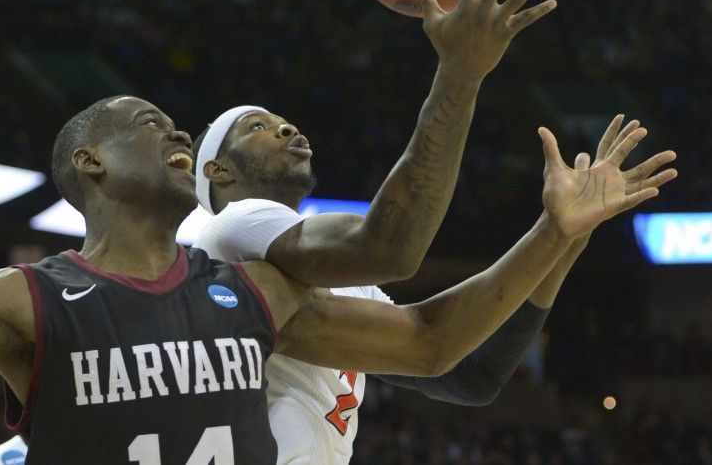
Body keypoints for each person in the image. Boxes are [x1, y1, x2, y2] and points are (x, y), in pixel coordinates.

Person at [0, 93, 668, 464]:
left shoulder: (251, 291)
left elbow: (448, 351)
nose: (173, 132)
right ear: (91, 162)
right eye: (154, 124)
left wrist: (559, 234)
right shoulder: (39, 295)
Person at [193, 108, 676, 462]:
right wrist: (461, 73)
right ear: (218, 171)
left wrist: (564, 237)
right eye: (256, 127)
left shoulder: (342, 288)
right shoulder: (222, 225)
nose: (286, 127)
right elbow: (387, 249)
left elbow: (470, 375)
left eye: (282, 120)